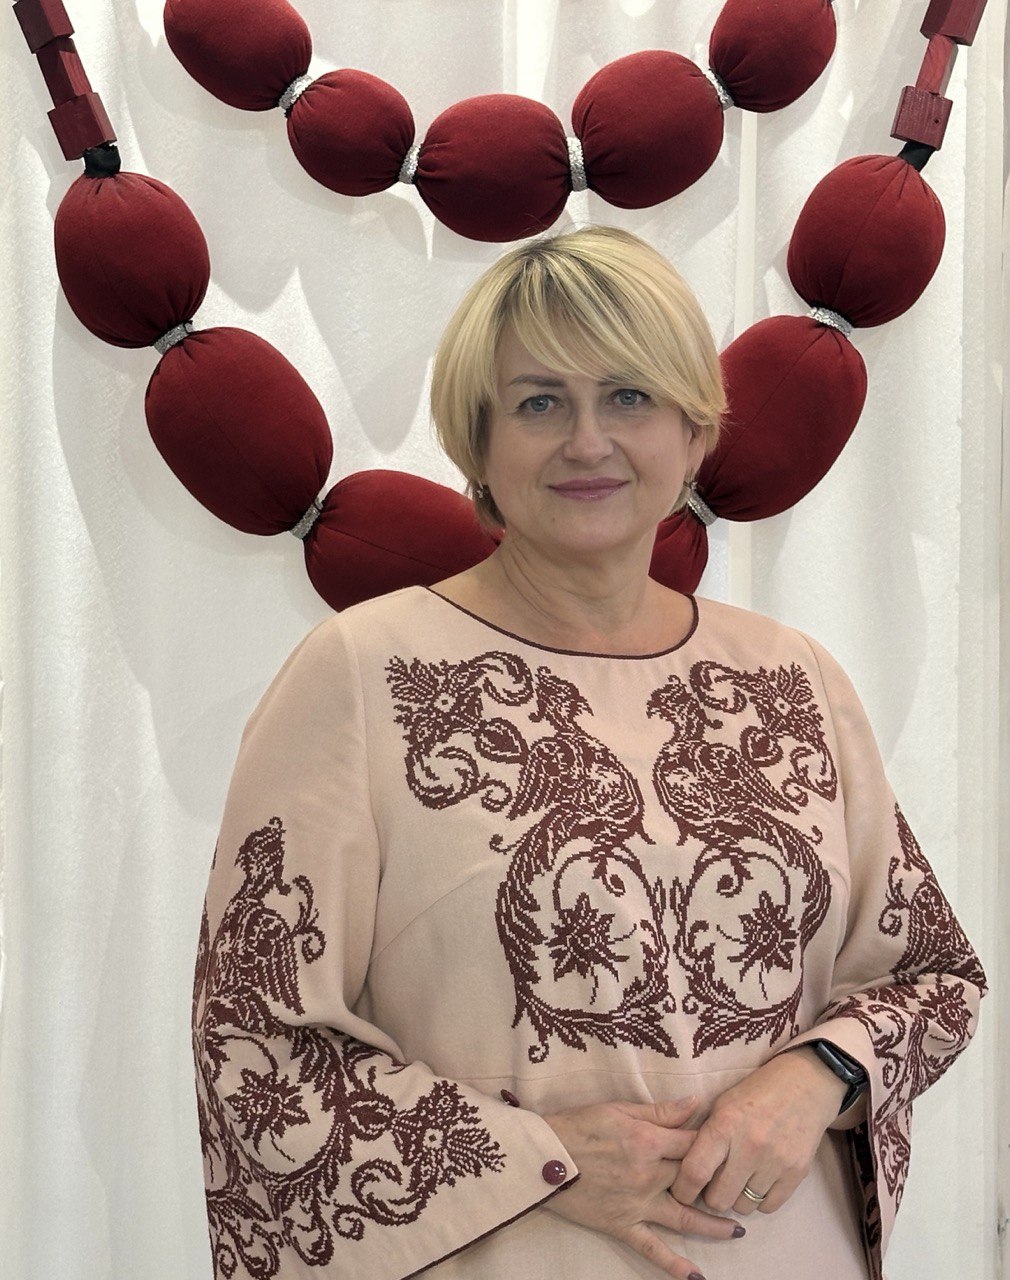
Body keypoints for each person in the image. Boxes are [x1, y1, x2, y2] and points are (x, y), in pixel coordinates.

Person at [192, 226, 985, 1280]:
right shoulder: (360, 675)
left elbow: (932, 976)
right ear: (477, 442)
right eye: (537, 403)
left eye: (628, 397)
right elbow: (255, 1045)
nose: (586, 440)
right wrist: (538, 1160)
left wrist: (818, 1074)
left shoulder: (793, 677)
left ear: (692, 432)